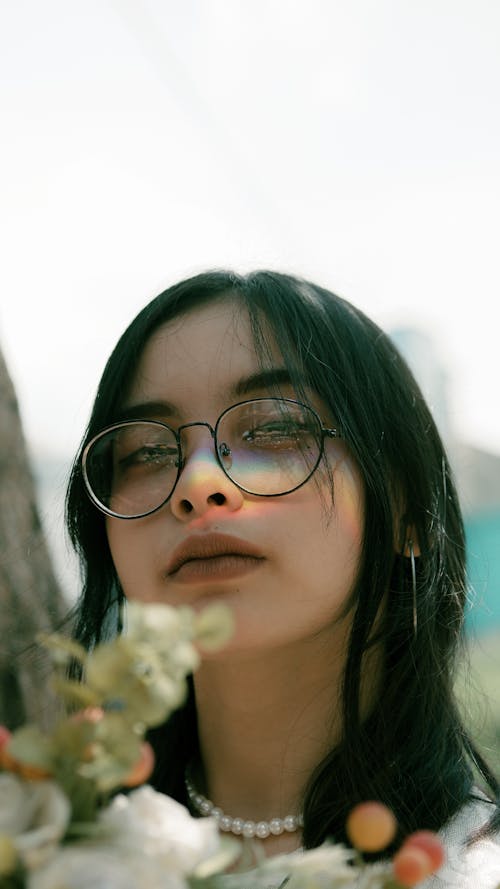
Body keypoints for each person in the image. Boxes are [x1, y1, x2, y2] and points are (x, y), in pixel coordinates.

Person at [65, 270, 500, 886]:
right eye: (148, 451)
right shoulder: (48, 847)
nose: (196, 485)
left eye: (273, 428)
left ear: (407, 512)